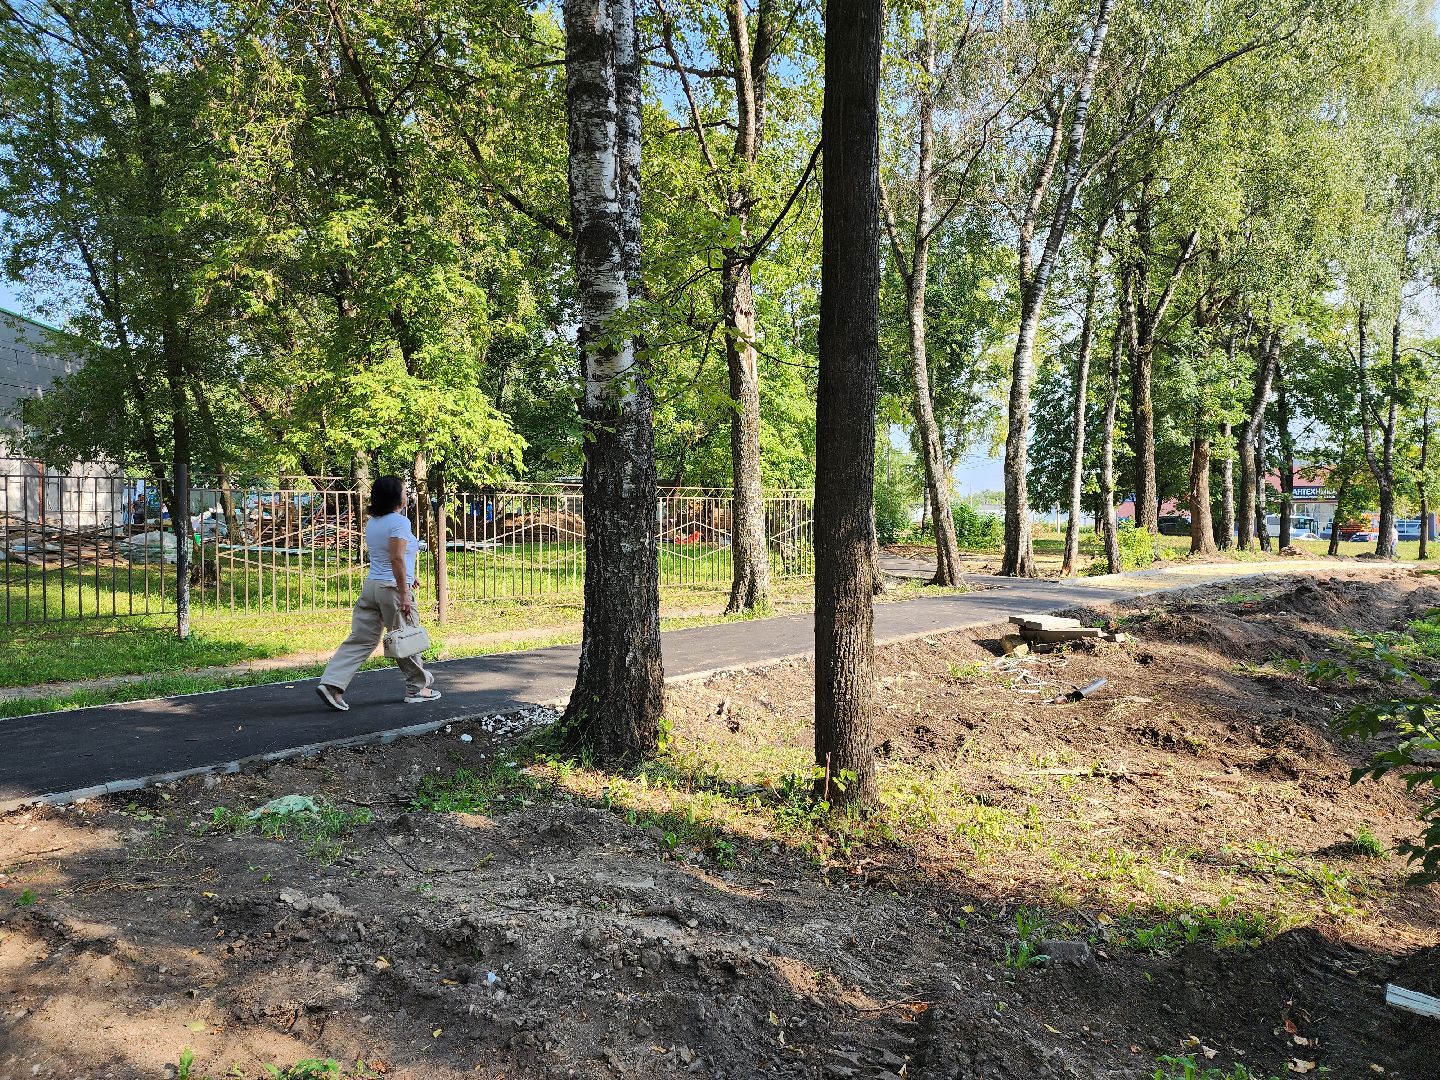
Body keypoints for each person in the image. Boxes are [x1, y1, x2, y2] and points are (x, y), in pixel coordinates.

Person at [315, 475, 440, 710]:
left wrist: (409, 578)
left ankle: (332, 684)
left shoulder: (374, 522)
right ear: (396, 496)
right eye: (404, 490)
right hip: (391, 590)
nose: (407, 495)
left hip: (372, 587)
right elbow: (396, 558)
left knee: (361, 639)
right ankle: (417, 689)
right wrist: (404, 592)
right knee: (406, 637)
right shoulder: (400, 522)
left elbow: (387, 557)